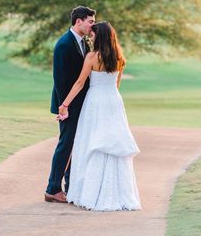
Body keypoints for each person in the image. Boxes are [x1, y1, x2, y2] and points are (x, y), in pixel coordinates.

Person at [58, 21, 141, 211]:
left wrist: (64, 104)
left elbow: (79, 83)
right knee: (112, 142)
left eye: (93, 34)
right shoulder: (120, 57)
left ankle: (90, 192)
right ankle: (116, 192)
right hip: (114, 101)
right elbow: (117, 84)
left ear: (100, 36)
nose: (90, 37)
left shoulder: (92, 57)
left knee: (92, 141)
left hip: (95, 102)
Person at [44, 6, 96, 203]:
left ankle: (70, 187)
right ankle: (53, 189)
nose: (92, 25)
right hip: (68, 106)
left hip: (80, 105)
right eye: (90, 21)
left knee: (74, 146)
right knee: (65, 146)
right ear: (78, 21)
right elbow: (60, 81)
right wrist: (64, 107)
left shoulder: (83, 42)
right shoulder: (64, 44)